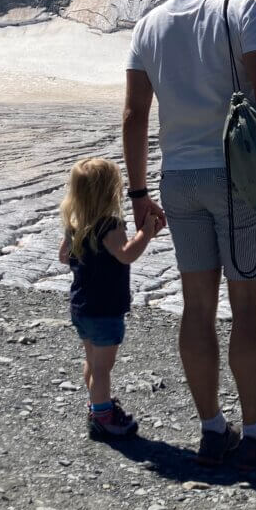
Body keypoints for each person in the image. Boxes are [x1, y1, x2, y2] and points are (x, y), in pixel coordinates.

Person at [123, 0, 256, 470]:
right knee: (248, 308)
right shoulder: (239, 10)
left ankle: (211, 430)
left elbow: (135, 116)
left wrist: (137, 194)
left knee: (197, 306)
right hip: (236, 177)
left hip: (177, 179)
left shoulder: (149, 24)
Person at [58, 157, 162, 440]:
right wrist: (146, 233)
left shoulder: (76, 224)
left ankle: (97, 406)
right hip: (105, 308)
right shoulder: (110, 225)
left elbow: (63, 256)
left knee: (92, 361)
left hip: (81, 306)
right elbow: (127, 253)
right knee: (103, 366)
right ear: (111, 192)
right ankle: (103, 416)